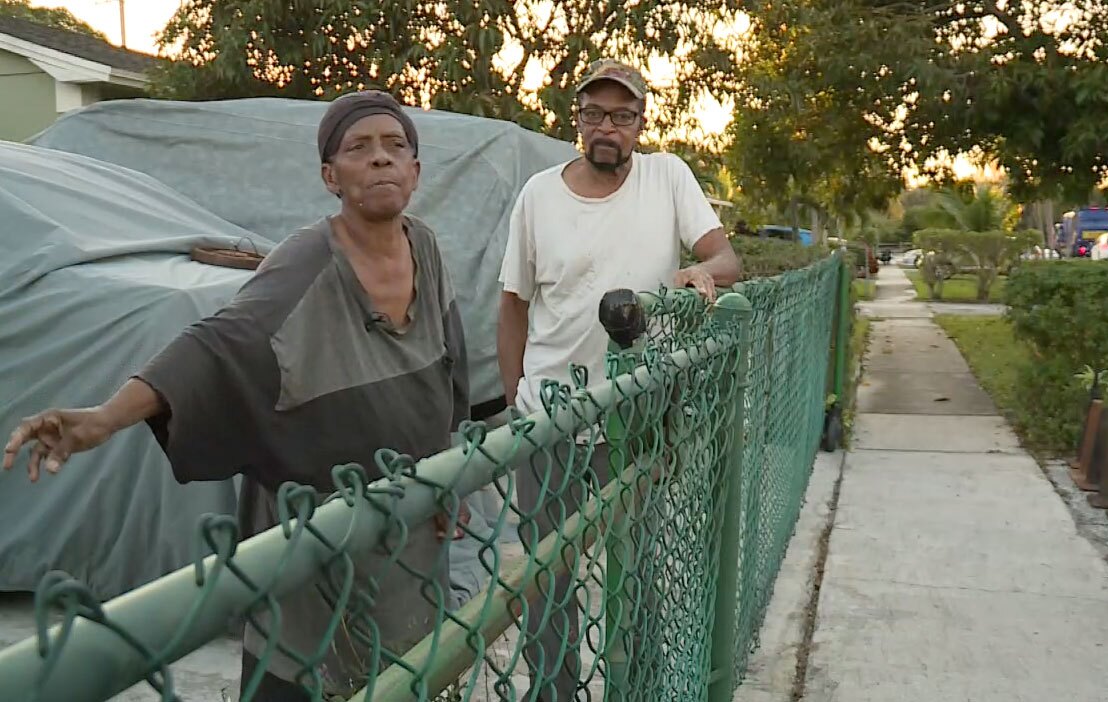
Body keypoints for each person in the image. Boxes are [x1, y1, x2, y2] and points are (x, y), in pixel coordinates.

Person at [4, 90, 470, 701]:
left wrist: (448, 473)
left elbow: (446, 373)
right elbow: (215, 346)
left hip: (407, 514)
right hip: (319, 521)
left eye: (396, 147)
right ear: (331, 175)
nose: (380, 160)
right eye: (359, 148)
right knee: (305, 671)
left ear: (415, 170)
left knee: (408, 669)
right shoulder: (306, 261)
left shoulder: (425, 248)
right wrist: (105, 419)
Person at [496, 59, 741, 700]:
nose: (608, 127)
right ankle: (555, 690)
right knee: (548, 577)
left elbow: (726, 255)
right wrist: (515, 407)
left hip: (634, 414)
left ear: (640, 122)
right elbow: (513, 304)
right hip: (548, 415)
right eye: (595, 114)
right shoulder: (538, 196)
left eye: (623, 115)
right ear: (576, 120)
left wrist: (700, 271)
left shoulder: (667, 177)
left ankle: (640, 685)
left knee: (636, 567)